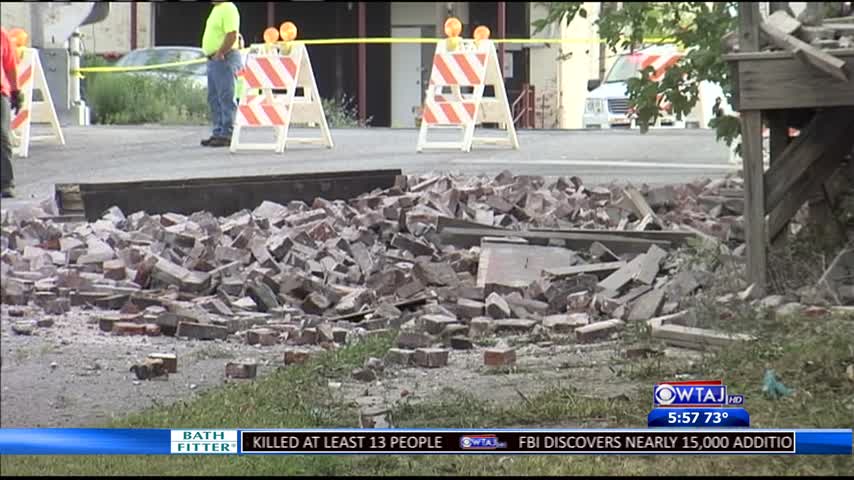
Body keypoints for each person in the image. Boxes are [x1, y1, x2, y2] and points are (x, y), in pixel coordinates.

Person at [200, 1, 242, 148]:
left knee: (225, 96)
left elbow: (232, 34)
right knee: (214, 97)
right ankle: (218, 132)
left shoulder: (228, 8)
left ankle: (227, 134)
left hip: (224, 57)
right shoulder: (216, 9)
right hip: (213, 59)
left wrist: (220, 52)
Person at [1, 26, 22, 198]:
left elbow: (10, 65)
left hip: (0, 92)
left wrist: (16, 91)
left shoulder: (2, 35)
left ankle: (6, 182)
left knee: (2, 135)